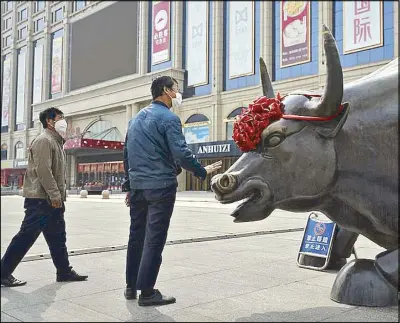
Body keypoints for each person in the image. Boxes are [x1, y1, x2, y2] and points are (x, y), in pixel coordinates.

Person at [123, 76, 222, 306]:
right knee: (154, 239)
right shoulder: (169, 118)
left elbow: (127, 155)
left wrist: (129, 186)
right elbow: (181, 153)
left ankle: (131, 286)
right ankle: (147, 292)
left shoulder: (135, 120)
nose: (178, 93)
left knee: (136, 236)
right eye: (176, 89)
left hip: (138, 188)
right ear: (166, 91)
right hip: (160, 187)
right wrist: (201, 171)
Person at [1, 107, 88, 287]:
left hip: (51, 199)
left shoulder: (56, 142)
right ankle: (3, 273)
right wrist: (55, 194)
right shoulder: (44, 140)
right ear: (50, 121)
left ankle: (64, 271)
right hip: (41, 200)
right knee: (26, 236)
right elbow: (43, 170)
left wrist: (58, 197)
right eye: (60, 118)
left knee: (57, 236)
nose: (64, 121)